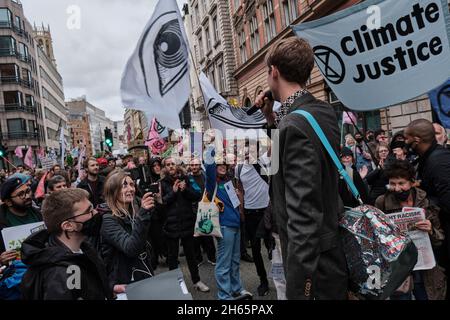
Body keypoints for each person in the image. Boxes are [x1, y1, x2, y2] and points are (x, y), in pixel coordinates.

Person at [255, 37, 348, 299]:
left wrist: (299, 289)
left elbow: (303, 217)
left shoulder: (294, 126)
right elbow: (278, 169)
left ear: (274, 71)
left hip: (316, 269)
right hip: (327, 253)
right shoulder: (320, 111)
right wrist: (270, 118)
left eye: (267, 72)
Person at [20, 188, 115, 300]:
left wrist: (107, 290)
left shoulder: (84, 247)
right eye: (89, 211)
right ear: (68, 226)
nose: (96, 213)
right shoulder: (61, 273)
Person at [375, 160, 446, 300]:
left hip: (425, 269)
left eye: (401, 183)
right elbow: (376, 239)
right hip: (399, 270)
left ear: (412, 182)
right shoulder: (381, 202)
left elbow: (440, 239)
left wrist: (431, 230)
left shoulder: (426, 202)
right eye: (392, 183)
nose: (396, 189)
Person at [404, 119, 450, 298]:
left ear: (416, 140)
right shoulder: (428, 159)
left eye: (406, 139)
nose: (405, 143)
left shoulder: (438, 161)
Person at [204, 146, 252, 300]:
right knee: (224, 263)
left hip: (235, 225)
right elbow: (209, 164)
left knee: (235, 261)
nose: (222, 167)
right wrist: (212, 147)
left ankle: (236, 289)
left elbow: (235, 204)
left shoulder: (229, 182)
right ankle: (224, 296)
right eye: (219, 165)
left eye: (224, 164)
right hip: (224, 226)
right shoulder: (212, 183)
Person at [160, 157, 209, 292]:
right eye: (168, 164)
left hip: (187, 222)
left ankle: (197, 281)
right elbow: (162, 202)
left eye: (172, 164)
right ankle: (175, 285)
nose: (170, 166)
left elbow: (196, 195)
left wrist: (185, 189)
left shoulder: (186, 179)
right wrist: (173, 192)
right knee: (172, 257)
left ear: (177, 166)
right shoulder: (162, 183)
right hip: (171, 225)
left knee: (191, 255)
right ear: (165, 167)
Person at [100, 170, 155, 285]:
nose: (130, 189)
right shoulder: (108, 219)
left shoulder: (134, 208)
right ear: (113, 189)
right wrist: (143, 215)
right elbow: (131, 248)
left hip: (142, 270)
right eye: (124, 186)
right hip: (124, 279)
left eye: (132, 185)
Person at [235, 142, 270, 296]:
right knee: (255, 249)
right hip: (250, 214)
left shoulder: (265, 160)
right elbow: (240, 189)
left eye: (251, 150)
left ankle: (280, 277)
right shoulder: (239, 168)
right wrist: (241, 210)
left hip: (267, 212)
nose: (247, 153)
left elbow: (273, 145)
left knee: (273, 249)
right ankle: (263, 280)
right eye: (245, 150)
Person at [1, 174, 42, 265]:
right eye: (21, 194)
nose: (27, 196)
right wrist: (1, 259)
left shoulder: (39, 215)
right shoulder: (2, 222)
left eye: (27, 191)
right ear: (8, 202)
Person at [189, 157, 216, 267]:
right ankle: (198, 258)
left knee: (207, 234)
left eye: (196, 165)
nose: (194, 167)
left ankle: (212, 257)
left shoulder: (205, 176)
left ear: (200, 165)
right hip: (193, 209)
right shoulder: (187, 178)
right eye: (192, 165)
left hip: (205, 208)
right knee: (195, 237)